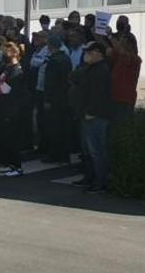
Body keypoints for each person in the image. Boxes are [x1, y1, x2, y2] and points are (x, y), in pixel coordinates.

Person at [70, 42, 113, 193]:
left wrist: (91, 111)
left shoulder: (101, 70)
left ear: (97, 53)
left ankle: (100, 181)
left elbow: (99, 95)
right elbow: (74, 77)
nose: (85, 55)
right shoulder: (89, 68)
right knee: (87, 150)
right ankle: (89, 177)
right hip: (85, 114)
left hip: (95, 116)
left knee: (97, 150)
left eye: (88, 52)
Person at [0, 42, 29, 177]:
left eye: (7, 51)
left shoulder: (17, 70)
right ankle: (9, 164)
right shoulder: (6, 68)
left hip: (13, 108)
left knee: (13, 138)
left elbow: (9, 89)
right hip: (4, 106)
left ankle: (17, 166)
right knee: (6, 137)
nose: (4, 53)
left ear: (15, 53)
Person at [43, 35, 73, 163]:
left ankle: (55, 154)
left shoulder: (53, 61)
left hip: (55, 97)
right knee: (63, 126)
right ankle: (64, 154)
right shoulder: (66, 58)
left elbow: (49, 82)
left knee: (54, 127)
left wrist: (47, 99)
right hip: (64, 96)